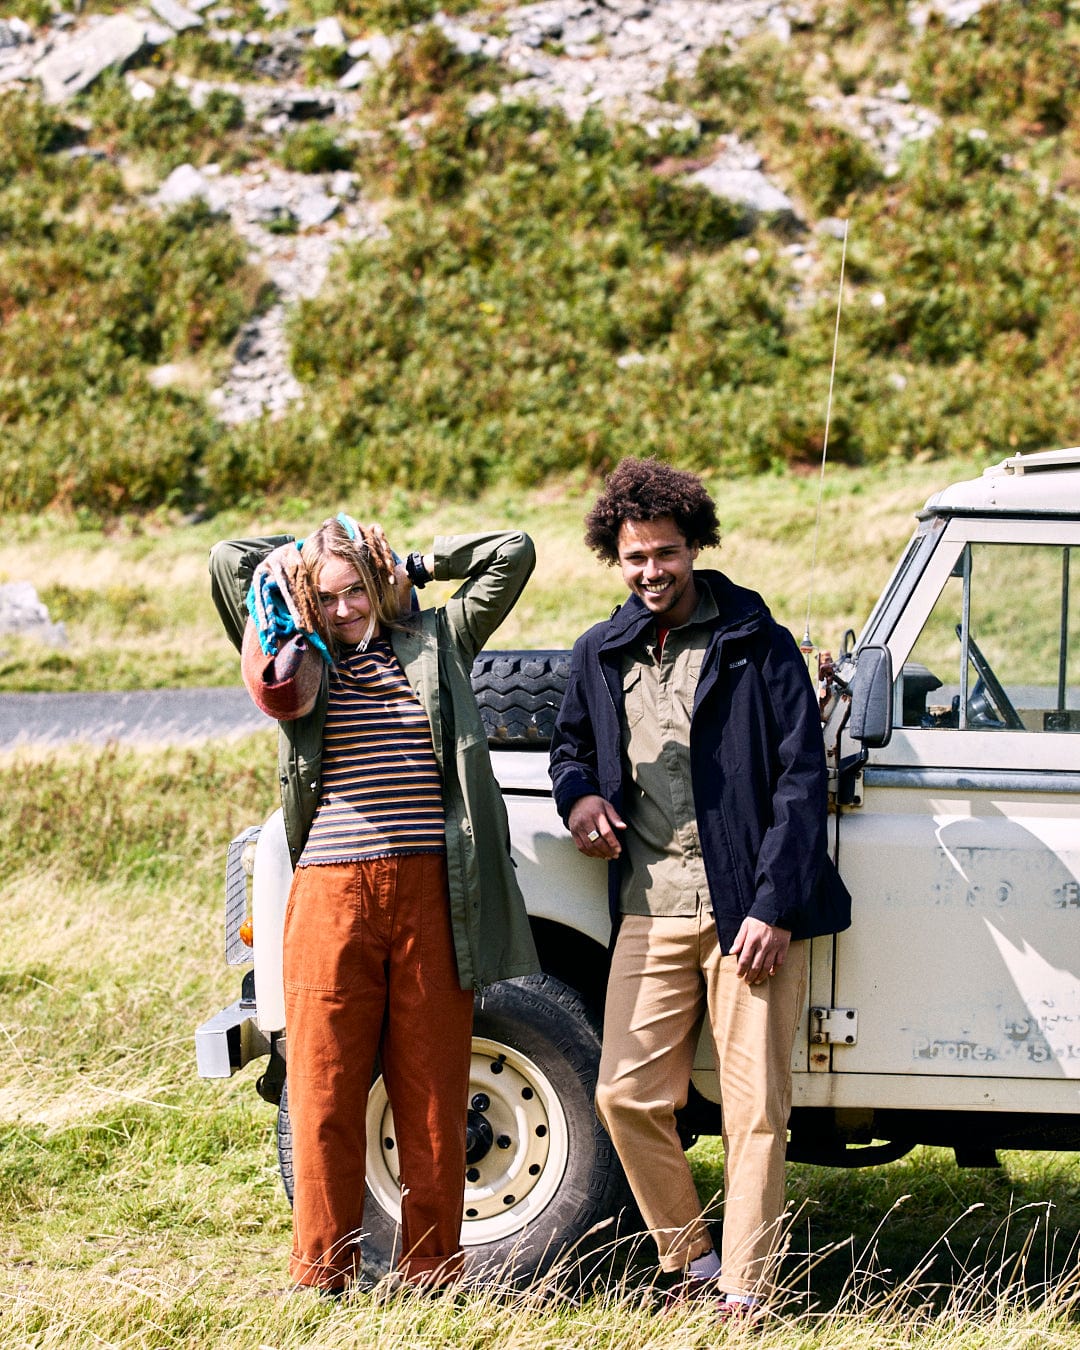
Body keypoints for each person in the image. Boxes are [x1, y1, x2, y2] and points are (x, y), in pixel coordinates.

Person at [548, 458, 850, 1321]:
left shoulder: (760, 643)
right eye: (635, 556)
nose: (652, 572)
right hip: (647, 904)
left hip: (746, 912)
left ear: (696, 547)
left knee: (757, 1111)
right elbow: (570, 752)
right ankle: (691, 1264)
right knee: (623, 1094)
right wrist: (580, 798)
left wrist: (772, 908)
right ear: (616, 553)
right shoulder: (598, 653)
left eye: (667, 554)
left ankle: (747, 1293)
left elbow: (802, 785)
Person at [210, 515, 540, 1296]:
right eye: (329, 598)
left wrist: (413, 565)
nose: (347, 608)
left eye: (356, 588)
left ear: (376, 580)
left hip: (434, 890)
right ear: (307, 601)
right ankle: (321, 1271)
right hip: (329, 892)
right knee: (322, 1087)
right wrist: (302, 561)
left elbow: (512, 553)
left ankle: (430, 1272)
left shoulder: (437, 639)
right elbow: (228, 561)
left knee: (431, 1091)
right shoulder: (295, 657)